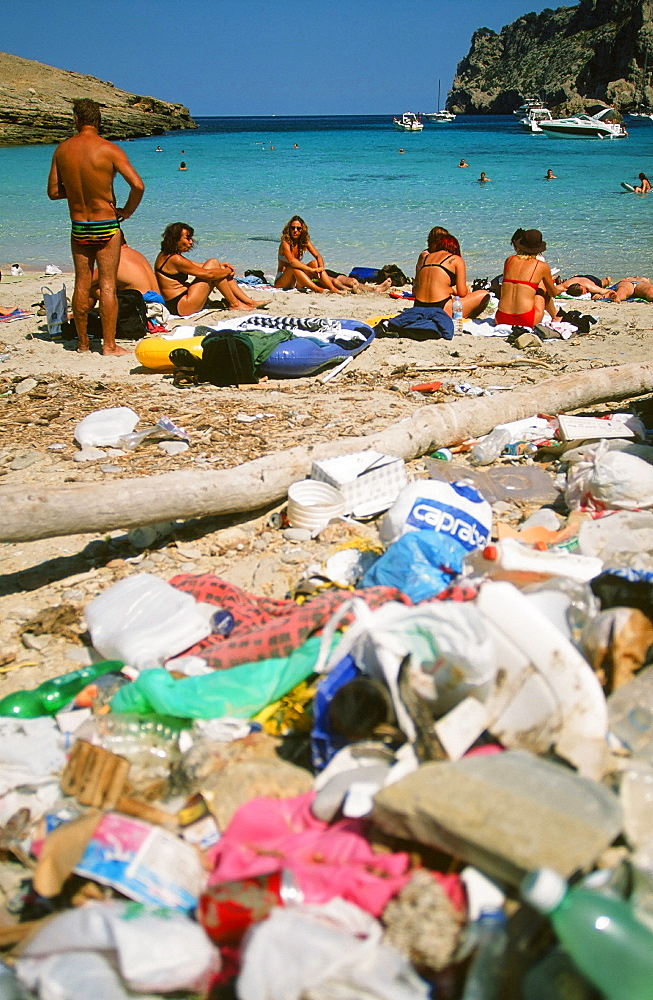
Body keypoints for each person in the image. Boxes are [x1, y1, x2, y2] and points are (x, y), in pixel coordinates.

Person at [46, 98, 144, 356]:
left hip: (79, 225)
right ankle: (109, 346)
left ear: (76, 119)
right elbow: (138, 185)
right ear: (98, 121)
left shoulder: (62, 150)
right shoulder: (109, 150)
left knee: (81, 282)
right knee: (108, 283)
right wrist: (127, 211)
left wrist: (80, 194)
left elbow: (54, 192)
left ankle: (82, 344)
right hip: (106, 224)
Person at [155, 222, 272, 315]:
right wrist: (226, 271)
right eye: (187, 238)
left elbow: (196, 266)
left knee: (215, 265)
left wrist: (222, 266)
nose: (191, 242)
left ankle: (249, 301)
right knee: (214, 266)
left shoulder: (166, 255)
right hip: (182, 305)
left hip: (178, 303)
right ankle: (235, 303)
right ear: (175, 239)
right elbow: (208, 275)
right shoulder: (175, 259)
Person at [412, 227, 490, 318]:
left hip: (418, 306)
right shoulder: (456, 259)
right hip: (440, 308)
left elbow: (415, 289)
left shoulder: (425, 257)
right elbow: (462, 293)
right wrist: (451, 289)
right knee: (484, 295)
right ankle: (467, 317)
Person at [495, 228, 558, 327]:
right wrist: (562, 286)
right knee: (541, 286)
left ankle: (555, 316)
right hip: (526, 319)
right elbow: (553, 293)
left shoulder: (509, 260)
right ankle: (555, 317)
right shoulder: (541, 266)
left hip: (501, 318)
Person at [274, 216, 345, 293]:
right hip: (283, 281)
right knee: (292, 266)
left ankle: (332, 288)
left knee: (315, 262)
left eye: (298, 228)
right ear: (289, 229)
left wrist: (321, 267)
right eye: (292, 228)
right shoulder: (285, 243)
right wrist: (310, 270)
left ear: (302, 230)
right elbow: (292, 261)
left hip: (298, 279)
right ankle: (318, 289)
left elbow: (318, 256)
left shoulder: (304, 242)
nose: (295, 230)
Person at [89, 233, 160, 302]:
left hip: (143, 308)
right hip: (160, 307)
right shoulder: (137, 254)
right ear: (124, 239)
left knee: (91, 288)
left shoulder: (115, 260)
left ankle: (83, 313)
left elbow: (86, 282)